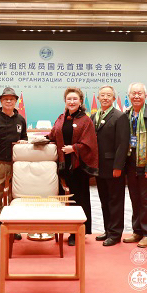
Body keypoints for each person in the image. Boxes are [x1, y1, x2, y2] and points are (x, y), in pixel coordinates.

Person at [47, 87, 98, 246]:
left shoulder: (86, 120)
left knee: (79, 200)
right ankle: (65, 229)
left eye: (75, 99)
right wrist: (38, 141)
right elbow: (52, 135)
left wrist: (74, 148)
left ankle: (78, 233)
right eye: (69, 99)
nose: (72, 101)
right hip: (63, 165)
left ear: (80, 101)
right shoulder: (61, 118)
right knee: (64, 199)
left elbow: (90, 143)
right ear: (65, 101)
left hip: (78, 167)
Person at [123, 82, 147, 248]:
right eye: (133, 93)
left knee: (146, 200)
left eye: (140, 93)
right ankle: (137, 231)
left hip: (146, 164)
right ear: (129, 96)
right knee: (135, 199)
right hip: (130, 164)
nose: (136, 96)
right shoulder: (125, 115)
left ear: (145, 96)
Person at [0, 87, 27, 241]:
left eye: (11, 99)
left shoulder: (20, 120)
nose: (9, 101)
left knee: (14, 196)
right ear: (1, 101)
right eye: (5, 99)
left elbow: (24, 138)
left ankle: (14, 225)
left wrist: (24, 142)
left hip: (16, 165)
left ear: (16, 101)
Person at [91, 85, 129, 247]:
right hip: (99, 167)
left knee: (115, 201)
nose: (105, 98)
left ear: (114, 98)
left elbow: (123, 144)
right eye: (102, 95)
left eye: (108, 95)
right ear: (98, 98)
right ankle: (108, 230)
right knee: (104, 200)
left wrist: (118, 166)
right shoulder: (94, 116)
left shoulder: (120, 116)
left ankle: (115, 233)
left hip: (113, 166)